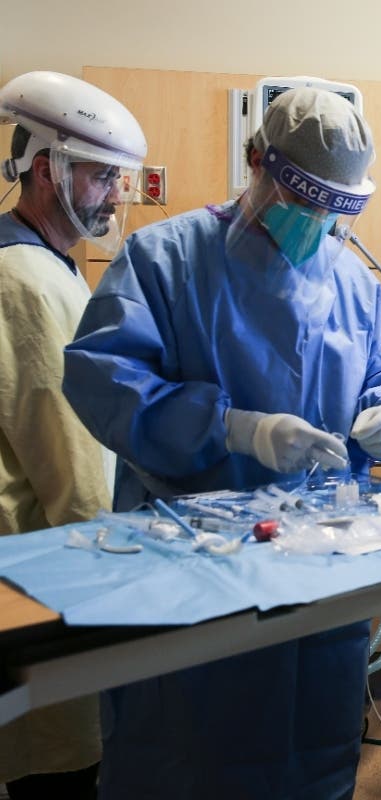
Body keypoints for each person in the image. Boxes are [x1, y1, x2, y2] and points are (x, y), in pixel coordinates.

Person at [63, 87, 381, 798]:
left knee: (309, 748)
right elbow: (103, 380)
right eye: (303, 201)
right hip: (191, 571)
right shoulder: (165, 260)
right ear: (256, 160)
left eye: (334, 208)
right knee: (184, 752)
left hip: (319, 574)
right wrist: (232, 428)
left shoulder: (353, 282)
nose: (316, 223)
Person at [0, 70, 147, 800]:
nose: (117, 195)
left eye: (119, 178)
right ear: (43, 170)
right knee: (55, 768)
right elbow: (75, 464)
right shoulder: (26, 279)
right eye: (100, 176)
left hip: (33, 572)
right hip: (41, 582)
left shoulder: (43, 265)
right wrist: (114, 592)